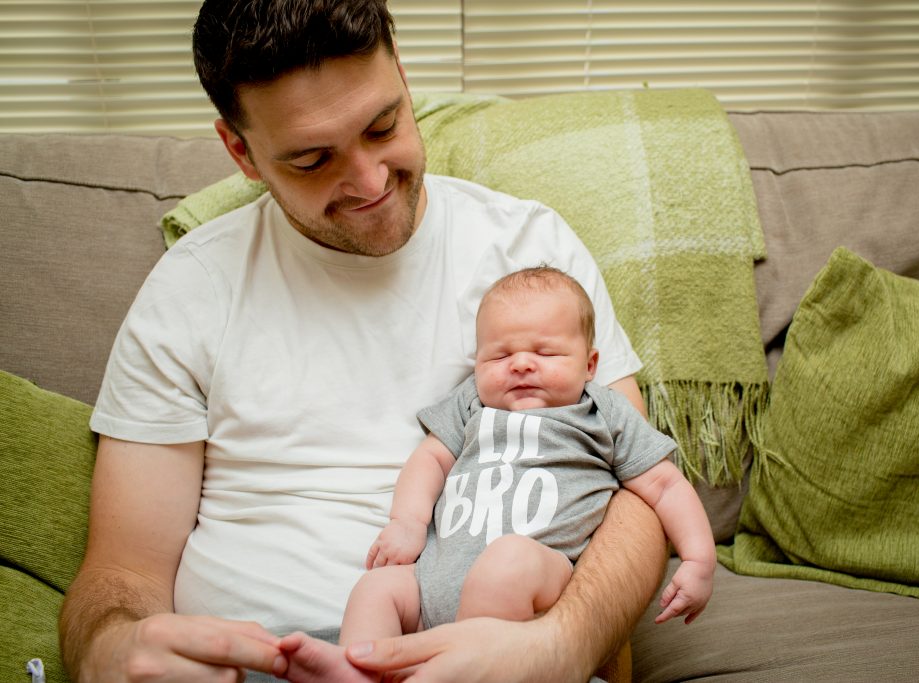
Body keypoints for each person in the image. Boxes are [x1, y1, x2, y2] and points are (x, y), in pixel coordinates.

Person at [57, 1, 670, 681]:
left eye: (383, 126)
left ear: (404, 78)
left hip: (485, 650)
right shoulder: (191, 288)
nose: (370, 182)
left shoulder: (529, 250)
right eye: (313, 160)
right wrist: (109, 649)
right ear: (241, 152)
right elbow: (121, 571)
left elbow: (640, 491)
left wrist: (560, 644)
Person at [279, 267, 716, 683]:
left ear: (590, 365)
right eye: (500, 355)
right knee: (376, 588)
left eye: (546, 352)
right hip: (433, 585)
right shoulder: (471, 404)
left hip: (537, 593)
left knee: (507, 560)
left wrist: (698, 558)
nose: (521, 364)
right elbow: (429, 459)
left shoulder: (602, 412)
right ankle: (360, 670)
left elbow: (662, 484)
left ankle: (471, 666)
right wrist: (407, 523)